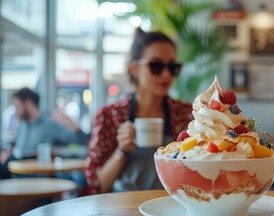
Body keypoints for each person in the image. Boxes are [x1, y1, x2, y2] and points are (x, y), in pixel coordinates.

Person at [85, 29, 193, 194]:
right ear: (135, 69)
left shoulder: (186, 114)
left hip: (169, 206)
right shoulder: (110, 115)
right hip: (123, 210)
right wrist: (121, 151)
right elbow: (98, 185)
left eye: (172, 67)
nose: (166, 74)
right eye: (156, 66)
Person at [0, 88, 84, 178]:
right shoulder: (22, 125)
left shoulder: (49, 124)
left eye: (17, 107)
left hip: (37, 175)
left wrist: (70, 123)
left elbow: (76, 139)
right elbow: (17, 148)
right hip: (17, 171)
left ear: (28, 103)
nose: (15, 111)